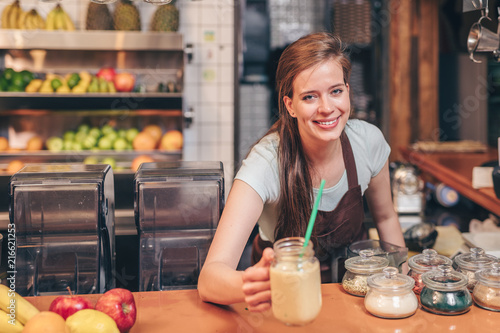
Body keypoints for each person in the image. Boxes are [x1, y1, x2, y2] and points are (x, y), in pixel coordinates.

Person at [198, 32, 406, 312]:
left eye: (336, 91)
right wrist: (253, 284)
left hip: (354, 294)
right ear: (290, 105)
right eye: (309, 97)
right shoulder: (266, 162)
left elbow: (386, 216)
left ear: (348, 90)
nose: (327, 108)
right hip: (284, 302)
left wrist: (400, 279)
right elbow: (210, 279)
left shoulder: (368, 142)